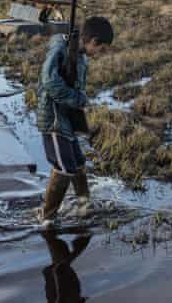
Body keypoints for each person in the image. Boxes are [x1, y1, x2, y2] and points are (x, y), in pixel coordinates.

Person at [37, 16, 113, 229]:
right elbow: (49, 81)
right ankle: (47, 219)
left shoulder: (78, 55)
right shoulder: (61, 48)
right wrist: (78, 99)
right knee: (64, 167)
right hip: (53, 118)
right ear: (94, 41)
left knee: (78, 163)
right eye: (102, 48)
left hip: (67, 117)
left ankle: (83, 205)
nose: (101, 53)